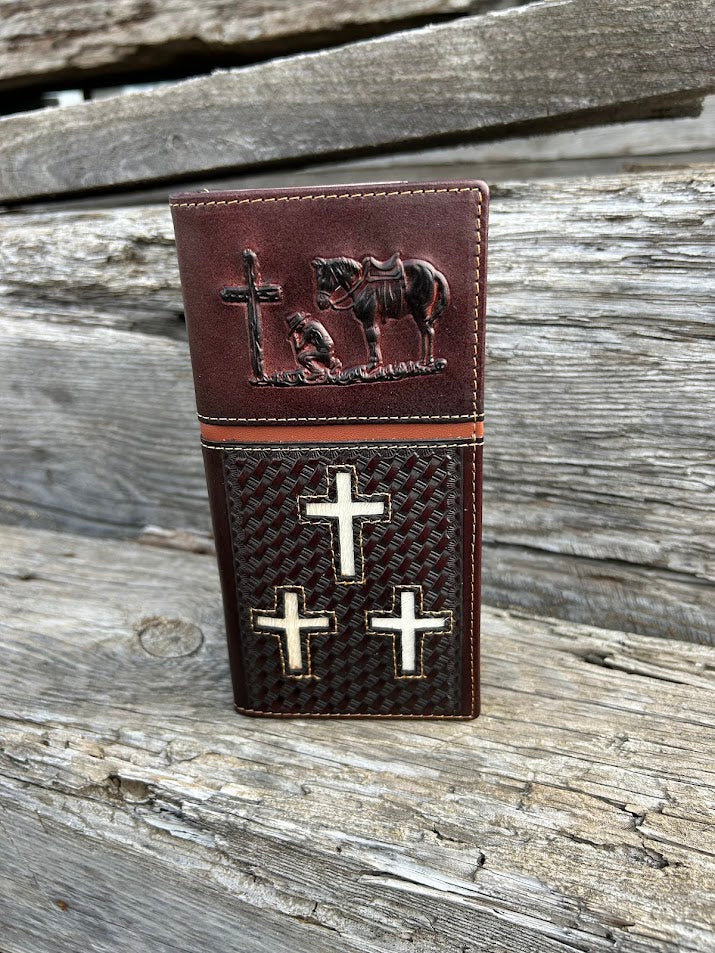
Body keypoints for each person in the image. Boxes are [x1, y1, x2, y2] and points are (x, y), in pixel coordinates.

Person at [287, 311, 342, 380]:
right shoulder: (314, 323)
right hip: (329, 348)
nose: (296, 329)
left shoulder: (307, 328)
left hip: (324, 350)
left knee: (302, 357)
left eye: (295, 327)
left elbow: (299, 346)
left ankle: (318, 372)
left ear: (299, 324)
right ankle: (334, 363)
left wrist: (295, 338)